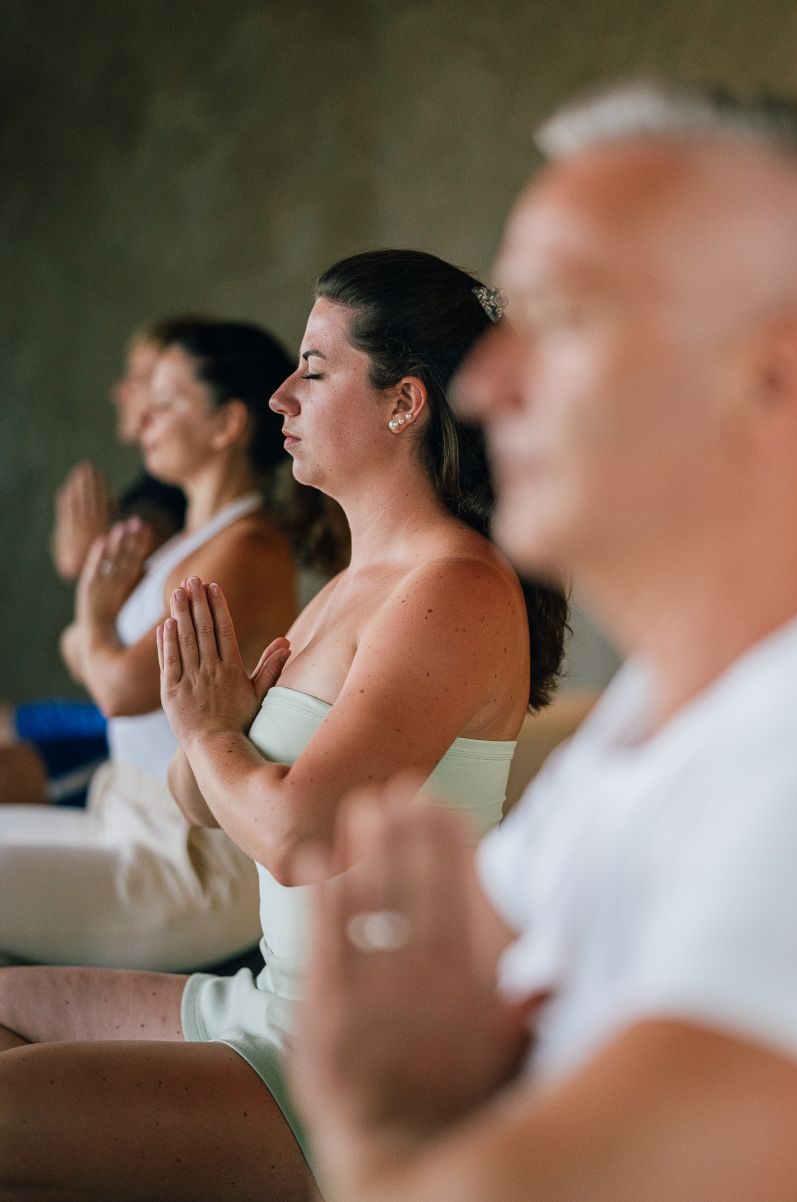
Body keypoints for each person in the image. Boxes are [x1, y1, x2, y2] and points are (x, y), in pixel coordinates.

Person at [280, 82, 797, 1202]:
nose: (483, 381)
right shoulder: (671, 701)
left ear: (770, 377)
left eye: (559, 319)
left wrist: (377, 1129)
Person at [0, 249, 567, 1201]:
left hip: (354, 1067)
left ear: (404, 403)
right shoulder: (348, 590)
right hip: (268, 1002)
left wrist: (215, 734)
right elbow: (202, 803)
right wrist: (211, 728)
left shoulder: (455, 589)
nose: (278, 397)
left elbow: (300, 838)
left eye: (312, 367)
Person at [0, 318, 320, 972]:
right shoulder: (186, 542)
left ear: (228, 425)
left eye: (166, 400)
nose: (142, 414)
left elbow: (118, 689)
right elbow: (93, 661)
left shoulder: (247, 547)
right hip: (122, 812)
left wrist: (92, 621)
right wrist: (93, 637)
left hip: (187, 857)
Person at [0, 316, 195, 809]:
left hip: (141, 745)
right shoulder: (154, 494)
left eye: (143, 378)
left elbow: (106, 670)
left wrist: (85, 562)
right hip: (119, 716)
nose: (122, 391)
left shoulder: (171, 511)